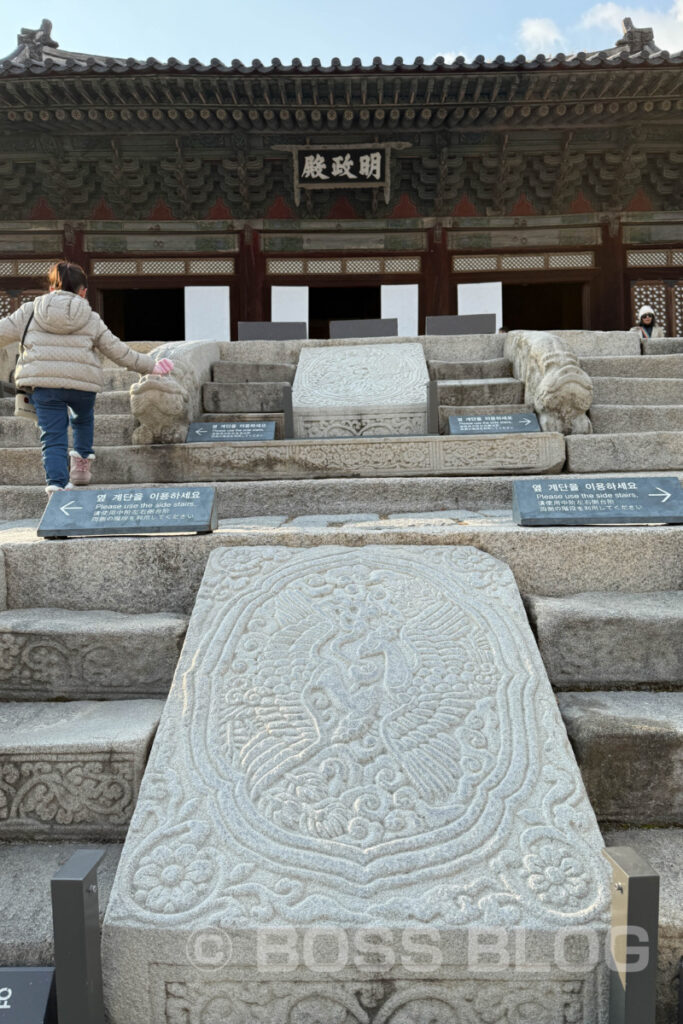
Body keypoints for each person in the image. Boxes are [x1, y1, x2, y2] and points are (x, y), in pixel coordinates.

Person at [0, 260, 173, 494]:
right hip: (82, 385)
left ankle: (57, 486)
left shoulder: (30, 311)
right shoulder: (90, 317)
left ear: (52, 288)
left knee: (53, 437)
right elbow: (117, 351)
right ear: (83, 292)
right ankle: (81, 464)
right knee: (82, 419)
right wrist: (151, 366)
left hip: (44, 384)